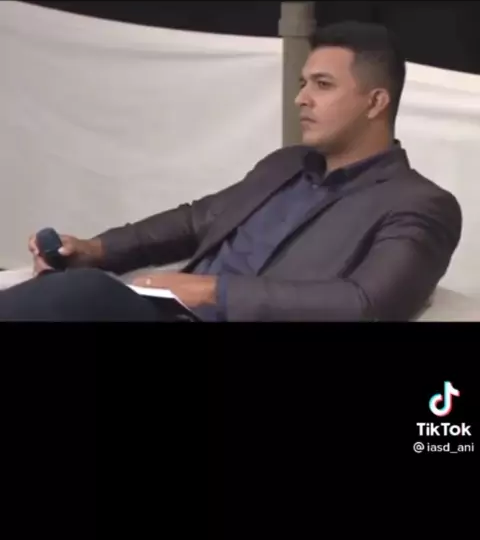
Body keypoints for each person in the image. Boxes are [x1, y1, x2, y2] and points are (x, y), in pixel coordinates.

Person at [15, 21, 463, 321]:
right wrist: (96, 248)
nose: (301, 98)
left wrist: (212, 291)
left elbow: (365, 303)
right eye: (303, 84)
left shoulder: (419, 204)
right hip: (158, 311)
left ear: (376, 102)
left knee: (81, 294)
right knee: (73, 287)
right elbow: (194, 220)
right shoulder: (286, 165)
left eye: (323, 85)